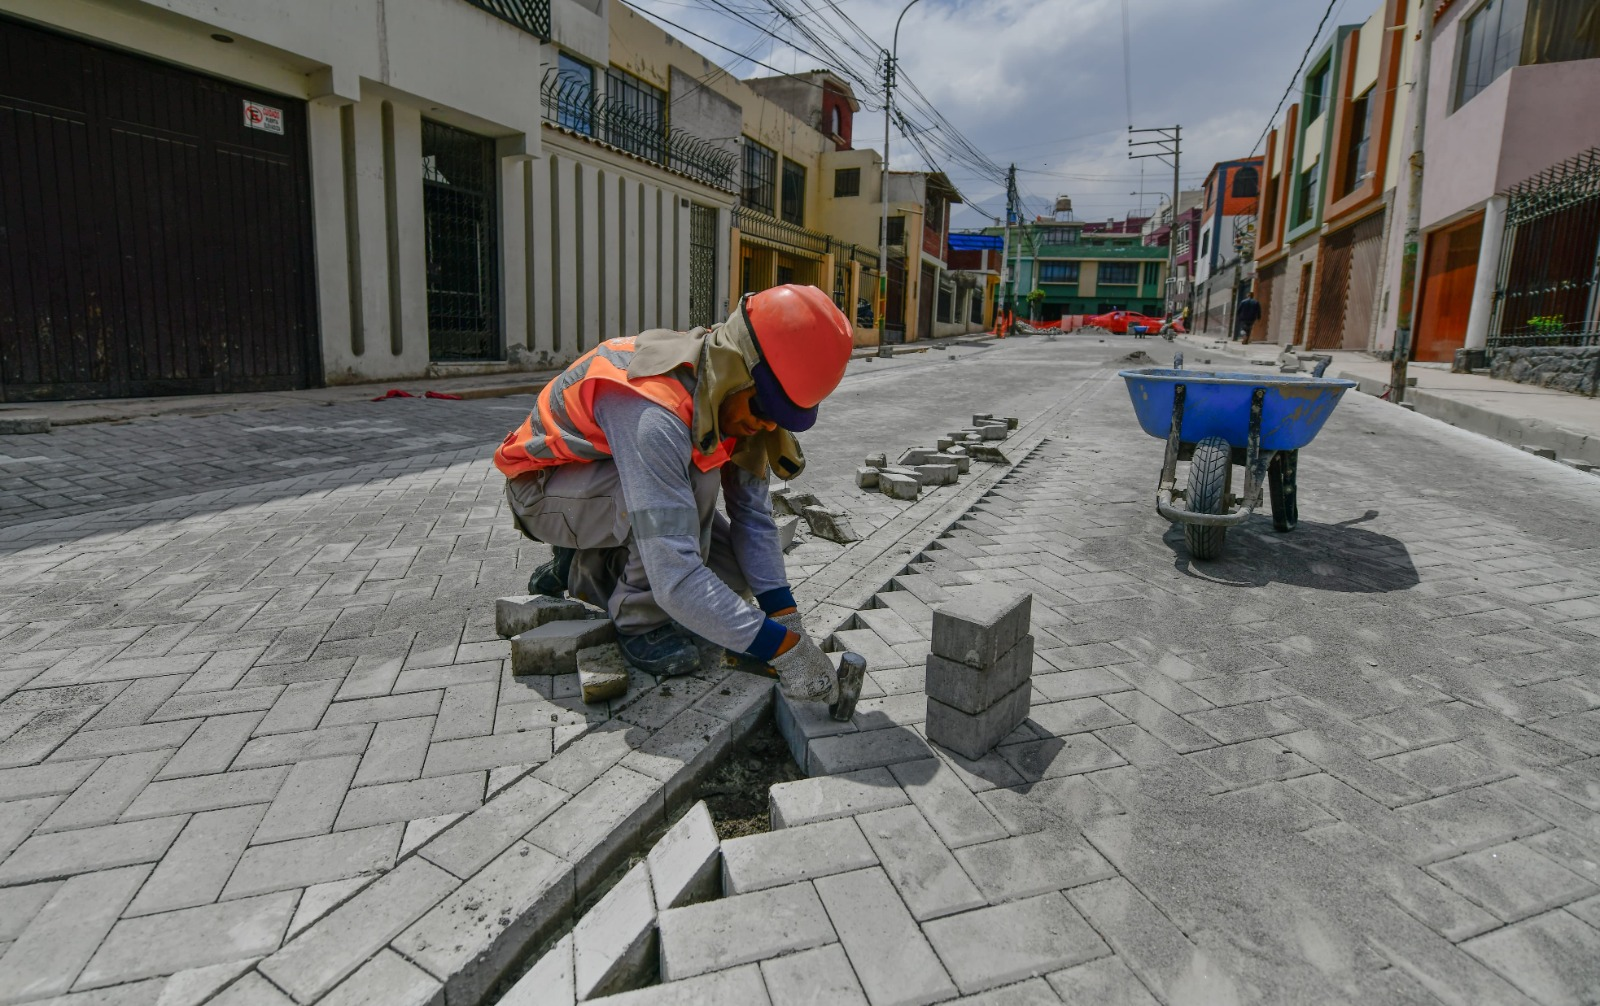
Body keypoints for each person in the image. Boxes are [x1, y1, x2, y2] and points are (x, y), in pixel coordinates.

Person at [493, 284, 861, 717]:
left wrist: (785, 619)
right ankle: (638, 622)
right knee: (694, 487)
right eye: (763, 407)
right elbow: (677, 576)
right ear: (737, 366)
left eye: (778, 416)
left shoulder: (736, 401)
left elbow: (755, 519)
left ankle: (584, 565)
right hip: (542, 494)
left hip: (607, 492)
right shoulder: (652, 405)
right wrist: (782, 651)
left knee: (732, 576)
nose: (761, 422)